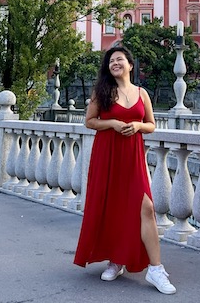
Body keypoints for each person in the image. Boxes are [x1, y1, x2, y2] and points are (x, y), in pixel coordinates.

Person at [74, 45, 176, 295]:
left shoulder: (142, 94)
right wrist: (113, 124)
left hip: (132, 158)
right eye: (111, 61)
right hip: (107, 155)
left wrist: (137, 127)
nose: (115, 63)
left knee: (147, 207)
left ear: (130, 65)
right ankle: (116, 260)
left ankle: (156, 269)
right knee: (112, 207)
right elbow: (89, 121)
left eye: (119, 59)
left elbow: (151, 124)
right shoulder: (102, 91)